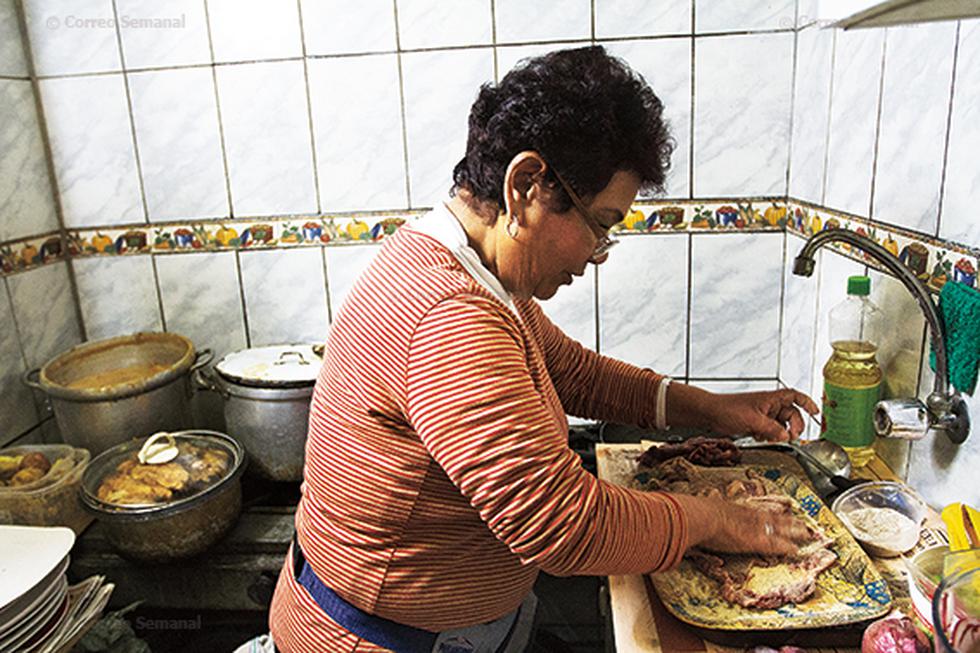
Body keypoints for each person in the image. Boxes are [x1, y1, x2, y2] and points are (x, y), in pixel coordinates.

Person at [268, 46, 818, 653]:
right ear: (527, 185)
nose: (597, 254)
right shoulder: (449, 315)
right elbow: (562, 523)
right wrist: (719, 519)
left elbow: (580, 376)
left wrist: (719, 412)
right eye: (600, 223)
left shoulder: (476, 274)